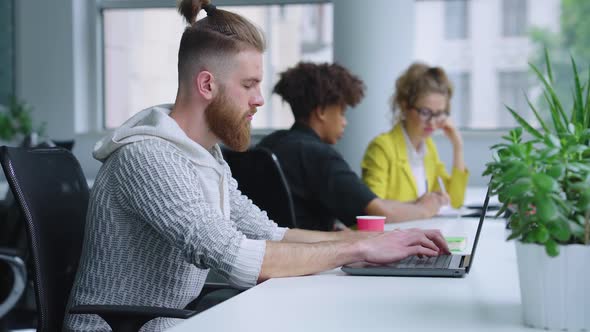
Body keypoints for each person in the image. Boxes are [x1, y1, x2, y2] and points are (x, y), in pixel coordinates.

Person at [63, 2, 449, 331]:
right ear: (207, 85)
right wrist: (361, 247)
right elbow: (238, 257)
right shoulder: (149, 158)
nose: (259, 99)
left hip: (172, 321)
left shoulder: (204, 157)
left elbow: (271, 235)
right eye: (248, 85)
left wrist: (375, 244)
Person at [258, 62, 449, 232]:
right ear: (322, 111)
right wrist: (424, 209)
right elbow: (376, 214)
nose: (344, 122)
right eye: (342, 112)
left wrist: (416, 204)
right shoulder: (320, 156)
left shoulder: (269, 144)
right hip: (309, 262)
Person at [361, 63, 469, 209]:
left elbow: (455, 202)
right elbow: (373, 211)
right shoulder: (381, 148)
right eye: (425, 112)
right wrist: (420, 206)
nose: (432, 122)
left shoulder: (428, 147)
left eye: (438, 114)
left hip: (417, 230)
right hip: (390, 232)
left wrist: (458, 147)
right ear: (405, 106)